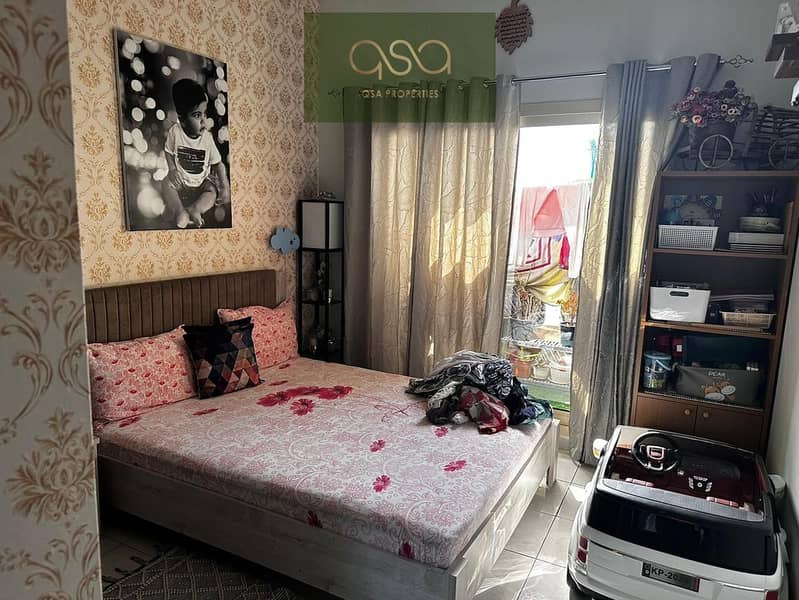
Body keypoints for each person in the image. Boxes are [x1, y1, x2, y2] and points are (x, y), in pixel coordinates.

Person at [163, 78, 230, 228]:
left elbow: (218, 163)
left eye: (205, 114)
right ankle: (179, 211)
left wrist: (224, 186)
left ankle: (196, 209)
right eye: (197, 115)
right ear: (182, 118)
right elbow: (168, 152)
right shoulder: (175, 132)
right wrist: (172, 170)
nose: (203, 121)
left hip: (201, 184)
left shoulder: (207, 138)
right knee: (166, 184)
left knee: (211, 192)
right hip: (181, 182)